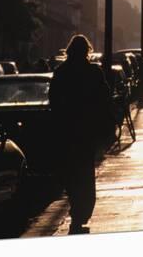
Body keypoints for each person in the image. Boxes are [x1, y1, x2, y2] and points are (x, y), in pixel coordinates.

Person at [48, 34, 114, 235]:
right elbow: (105, 99)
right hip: (87, 131)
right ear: (87, 51)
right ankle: (82, 211)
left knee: (70, 173)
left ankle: (77, 209)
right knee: (86, 173)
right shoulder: (93, 72)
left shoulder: (61, 72)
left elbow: (54, 101)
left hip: (67, 131)